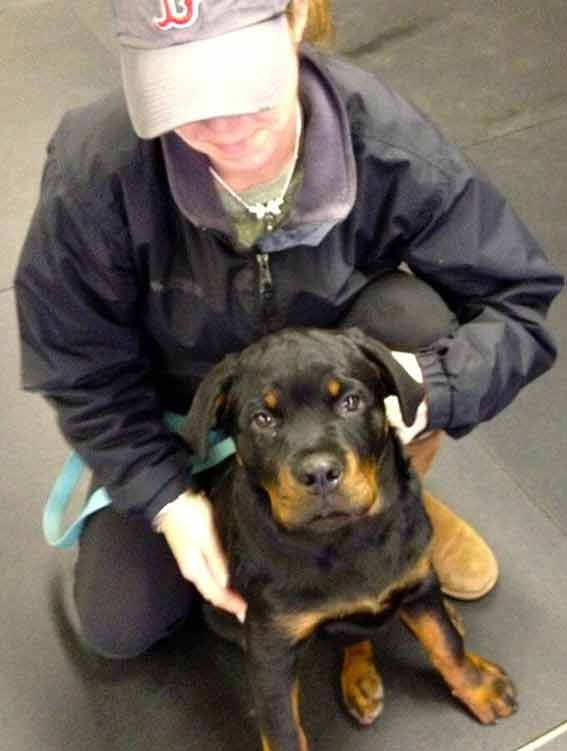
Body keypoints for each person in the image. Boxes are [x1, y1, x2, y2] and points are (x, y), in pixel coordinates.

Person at [15, 0, 563, 660]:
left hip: (330, 397)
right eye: (183, 96)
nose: (225, 129)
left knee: (411, 321)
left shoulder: (384, 140)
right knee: (120, 623)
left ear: (296, 20)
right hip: (181, 419)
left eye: (244, 82)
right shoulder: (97, 171)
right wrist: (166, 499)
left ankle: (389, 495)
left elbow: (518, 297)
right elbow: (78, 368)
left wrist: (435, 387)